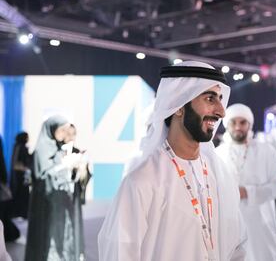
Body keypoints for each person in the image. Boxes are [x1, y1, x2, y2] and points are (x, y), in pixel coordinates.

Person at [98, 61, 247, 261]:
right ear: (178, 106)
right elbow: (119, 252)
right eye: (210, 98)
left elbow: (237, 244)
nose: (221, 111)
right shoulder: (143, 181)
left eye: (220, 99)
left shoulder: (219, 173)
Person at [216, 103, 276, 261]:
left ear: (250, 124)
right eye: (233, 122)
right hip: (229, 225)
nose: (238, 127)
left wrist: (248, 192)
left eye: (242, 122)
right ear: (226, 125)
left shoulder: (266, 151)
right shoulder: (217, 154)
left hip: (261, 226)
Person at [25, 116, 85, 261]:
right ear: (51, 129)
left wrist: (74, 168)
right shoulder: (42, 150)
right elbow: (43, 176)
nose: (64, 134)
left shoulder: (59, 148)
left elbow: (64, 174)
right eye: (62, 130)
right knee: (45, 238)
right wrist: (63, 166)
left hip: (59, 203)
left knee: (61, 236)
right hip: (44, 203)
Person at [63, 124, 91, 261]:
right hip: (60, 195)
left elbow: (85, 177)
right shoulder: (58, 151)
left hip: (73, 194)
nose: (71, 137)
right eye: (68, 133)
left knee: (75, 221)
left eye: (73, 134)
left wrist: (82, 169)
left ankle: (76, 252)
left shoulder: (78, 151)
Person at [10, 132, 33, 219]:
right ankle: (21, 213)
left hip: (19, 176)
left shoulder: (17, 146)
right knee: (22, 194)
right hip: (21, 176)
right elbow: (17, 164)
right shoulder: (21, 147)